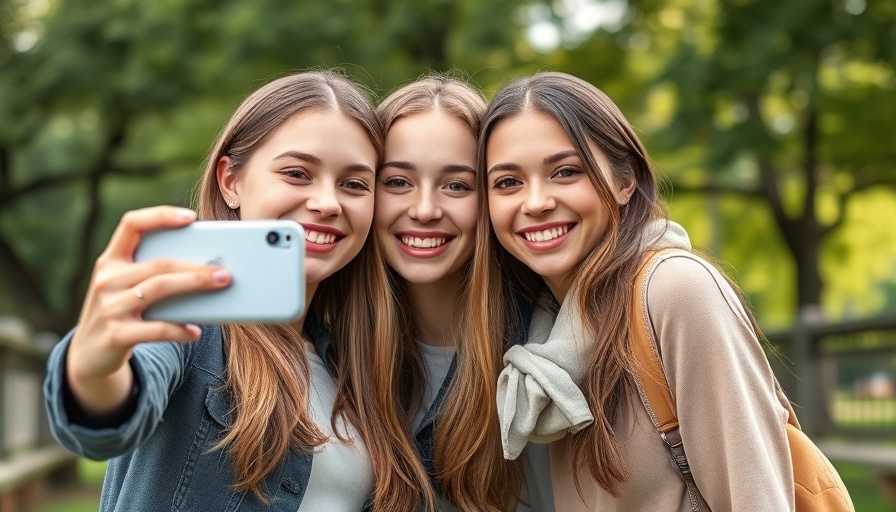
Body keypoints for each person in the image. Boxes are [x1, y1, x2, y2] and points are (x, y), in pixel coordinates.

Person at [44, 71, 434, 511]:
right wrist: (93, 367)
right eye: (297, 173)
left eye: (354, 184)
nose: (328, 202)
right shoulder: (186, 318)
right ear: (231, 182)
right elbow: (111, 409)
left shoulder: (360, 366)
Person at [476, 71, 798, 510]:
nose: (535, 202)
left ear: (624, 181)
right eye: (508, 182)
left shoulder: (675, 291)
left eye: (566, 172)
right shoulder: (541, 334)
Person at [373, 76, 551, 512]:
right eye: (397, 182)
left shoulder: (553, 343)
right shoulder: (331, 347)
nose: (425, 210)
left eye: (457, 186)